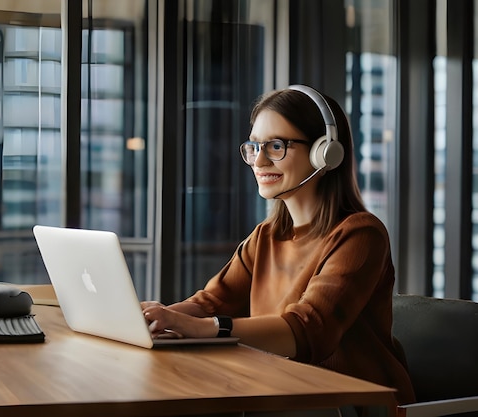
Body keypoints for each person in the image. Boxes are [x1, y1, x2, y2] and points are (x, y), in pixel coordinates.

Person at [141, 85, 416, 408]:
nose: (259, 160)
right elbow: (211, 302)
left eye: (275, 146)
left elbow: (309, 331)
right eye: (254, 146)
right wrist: (152, 318)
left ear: (325, 152)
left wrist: (200, 328)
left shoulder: (361, 234)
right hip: (280, 392)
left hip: (351, 405)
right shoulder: (267, 235)